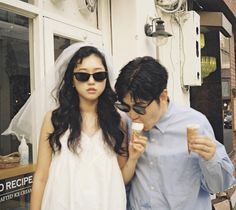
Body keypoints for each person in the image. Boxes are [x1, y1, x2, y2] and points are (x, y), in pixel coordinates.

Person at [114, 56, 235, 210]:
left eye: (139, 108)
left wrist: (211, 158)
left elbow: (218, 186)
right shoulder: (126, 124)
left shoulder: (195, 123)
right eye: (125, 107)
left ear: (163, 96)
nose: (132, 115)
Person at [30, 43, 128, 210]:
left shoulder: (116, 121)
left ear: (106, 79)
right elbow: (41, 176)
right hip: (62, 202)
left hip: (106, 202)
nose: (91, 81)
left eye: (99, 75)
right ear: (72, 80)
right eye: (83, 75)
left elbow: (121, 173)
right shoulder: (54, 119)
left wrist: (133, 157)